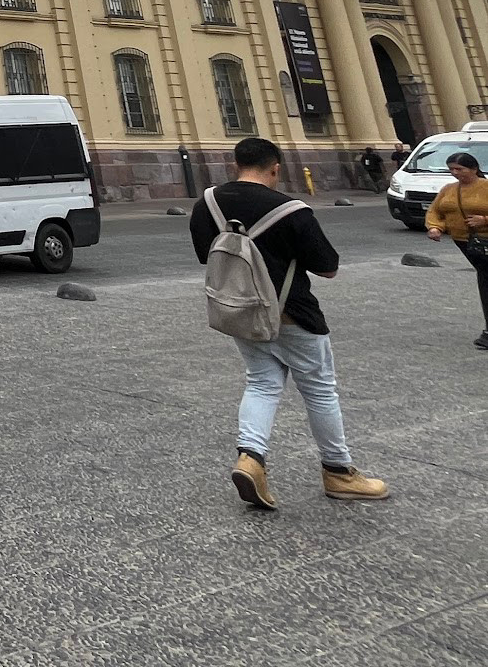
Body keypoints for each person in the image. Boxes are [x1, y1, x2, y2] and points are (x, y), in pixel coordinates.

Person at [188, 137, 388, 508]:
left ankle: (250, 458)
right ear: (275, 168)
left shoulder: (208, 203)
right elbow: (327, 267)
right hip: (292, 313)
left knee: (261, 382)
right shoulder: (291, 209)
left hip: (242, 312)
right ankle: (339, 472)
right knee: (320, 391)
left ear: (236, 164)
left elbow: (207, 255)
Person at [422, 151, 488, 351]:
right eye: (451, 169)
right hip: (465, 242)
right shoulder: (449, 189)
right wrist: (435, 227)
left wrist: (484, 220)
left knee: (486, 281)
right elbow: (436, 210)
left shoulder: (485, 187)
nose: (455, 173)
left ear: (474, 169)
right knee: (485, 280)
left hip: (485, 240)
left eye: (460, 169)